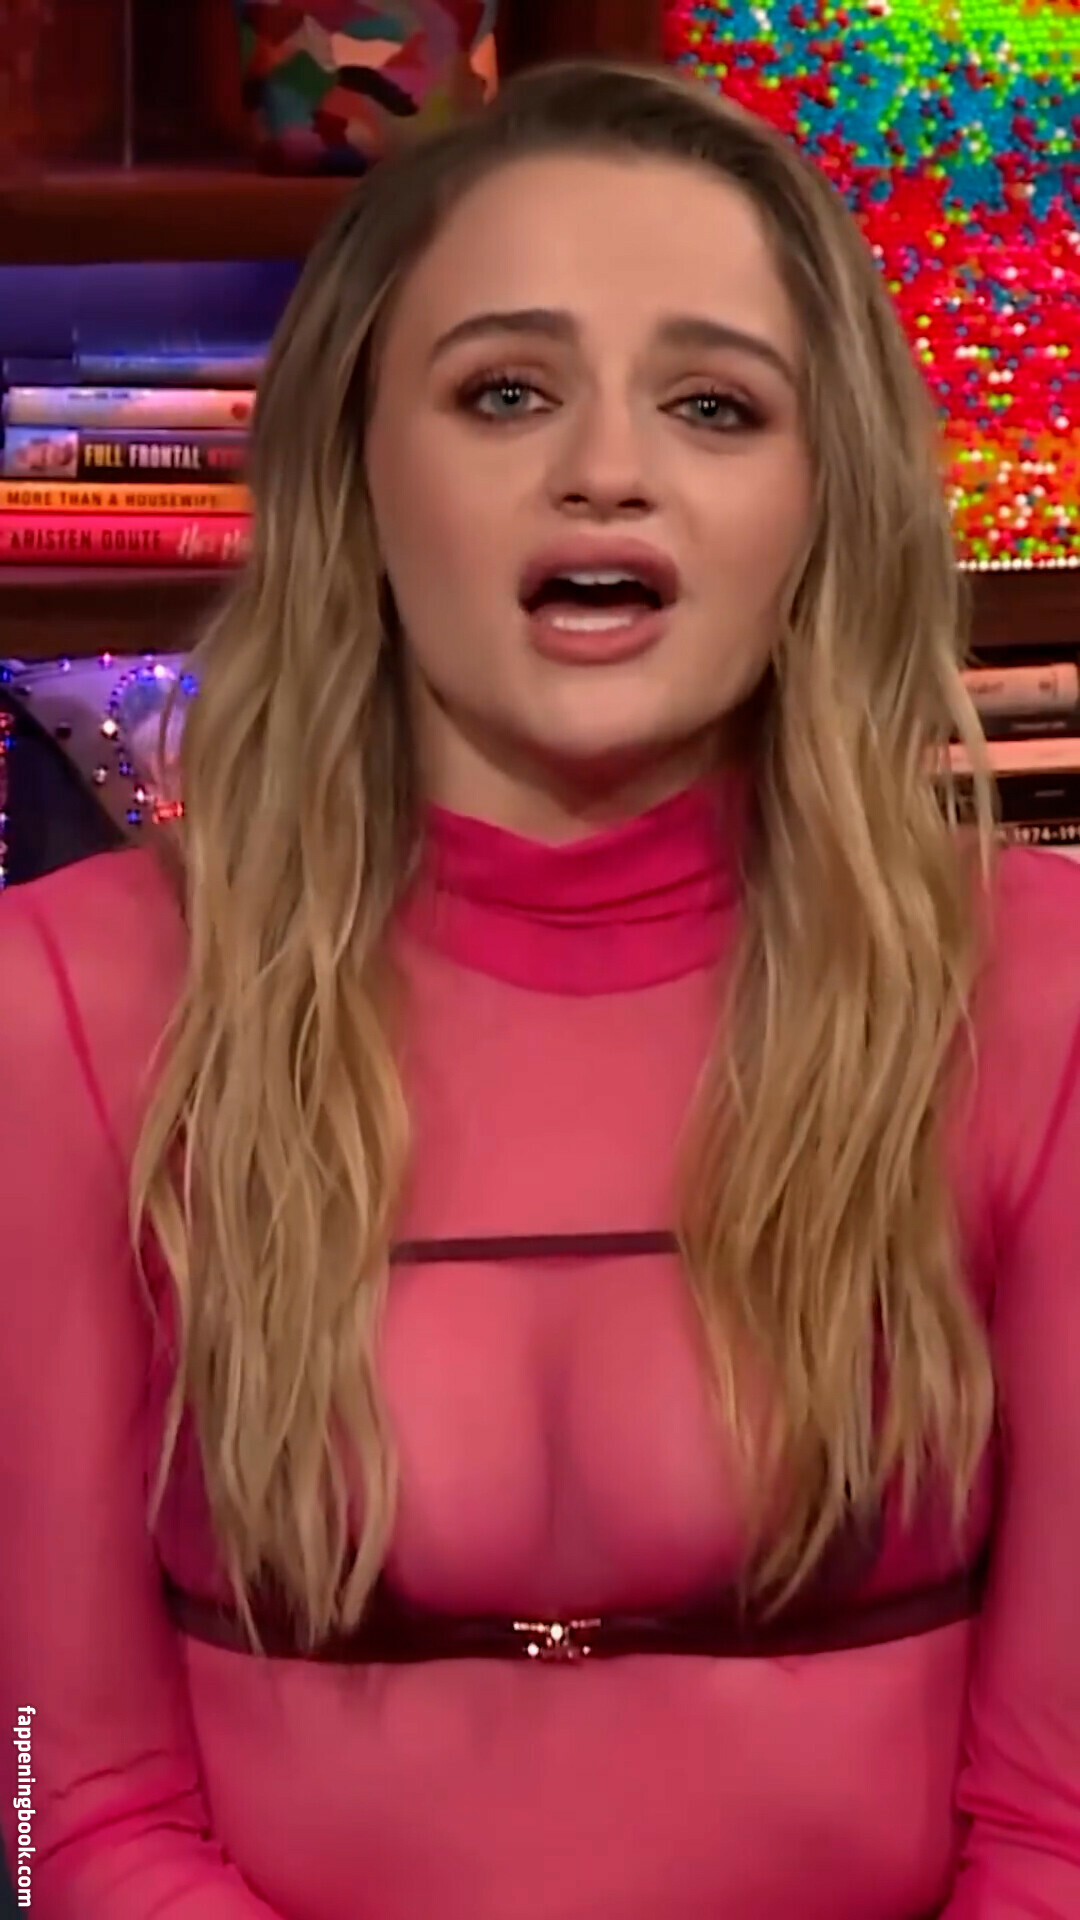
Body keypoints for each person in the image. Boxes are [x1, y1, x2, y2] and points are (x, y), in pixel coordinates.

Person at [0, 56, 1078, 1920]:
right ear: (353, 465)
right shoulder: (65, 1009)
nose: (607, 469)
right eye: (506, 391)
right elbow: (63, 1800)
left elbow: (1061, 1822)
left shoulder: (1039, 999)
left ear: (825, 496)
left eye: (715, 405)